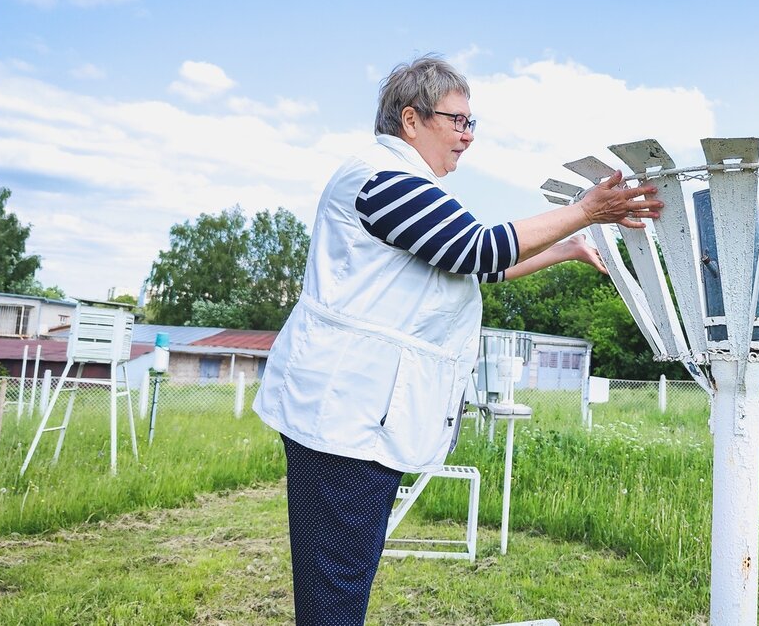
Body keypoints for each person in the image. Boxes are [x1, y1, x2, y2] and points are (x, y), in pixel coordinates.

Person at [252, 54, 662, 625]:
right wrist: (586, 211)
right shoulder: (382, 177)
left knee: (341, 585)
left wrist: (566, 247)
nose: (468, 137)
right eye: (458, 121)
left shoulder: (407, 183)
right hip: (342, 416)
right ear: (412, 120)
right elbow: (476, 248)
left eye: (473, 123)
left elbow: (472, 266)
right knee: (334, 596)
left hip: (359, 415)